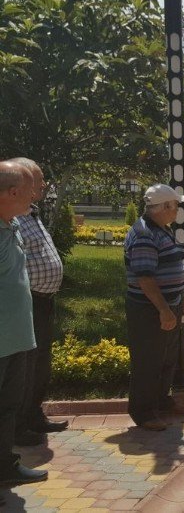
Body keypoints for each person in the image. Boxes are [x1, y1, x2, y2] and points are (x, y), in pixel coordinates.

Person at [123, 184, 184, 431]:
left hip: (167, 304)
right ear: (164, 207)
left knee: (165, 358)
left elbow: (168, 267)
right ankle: (143, 412)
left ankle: (161, 402)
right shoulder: (144, 234)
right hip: (149, 309)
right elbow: (146, 278)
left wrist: (179, 296)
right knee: (148, 361)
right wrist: (163, 309)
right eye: (175, 206)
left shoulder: (161, 229)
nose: (177, 210)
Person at [10, 159, 67, 446]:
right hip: (26, 301)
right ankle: (18, 427)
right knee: (25, 365)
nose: (43, 185)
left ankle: (33, 415)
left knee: (40, 362)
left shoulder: (32, 213)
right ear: (23, 185)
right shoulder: (12, 217)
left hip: (43, 300)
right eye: (38, 180)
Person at [0, 160, 48, 487]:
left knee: (8, 408)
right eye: (30, 190)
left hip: (17, 339)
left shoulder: (13, 224)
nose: (35, 196)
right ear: (13, 191)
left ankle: (5, 466)